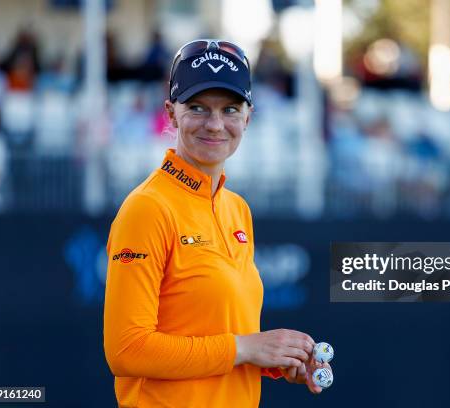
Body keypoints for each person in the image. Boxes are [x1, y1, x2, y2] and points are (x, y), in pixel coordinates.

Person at [103, 39, 332, 407]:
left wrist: (272, 359)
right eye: (197, 107)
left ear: (248, 117)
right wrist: (245, 348)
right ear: (171, 113)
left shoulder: (236, 208)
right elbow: (127, 350)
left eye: (229, 109)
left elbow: (220, 339)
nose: (214, 124)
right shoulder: (147, 208)